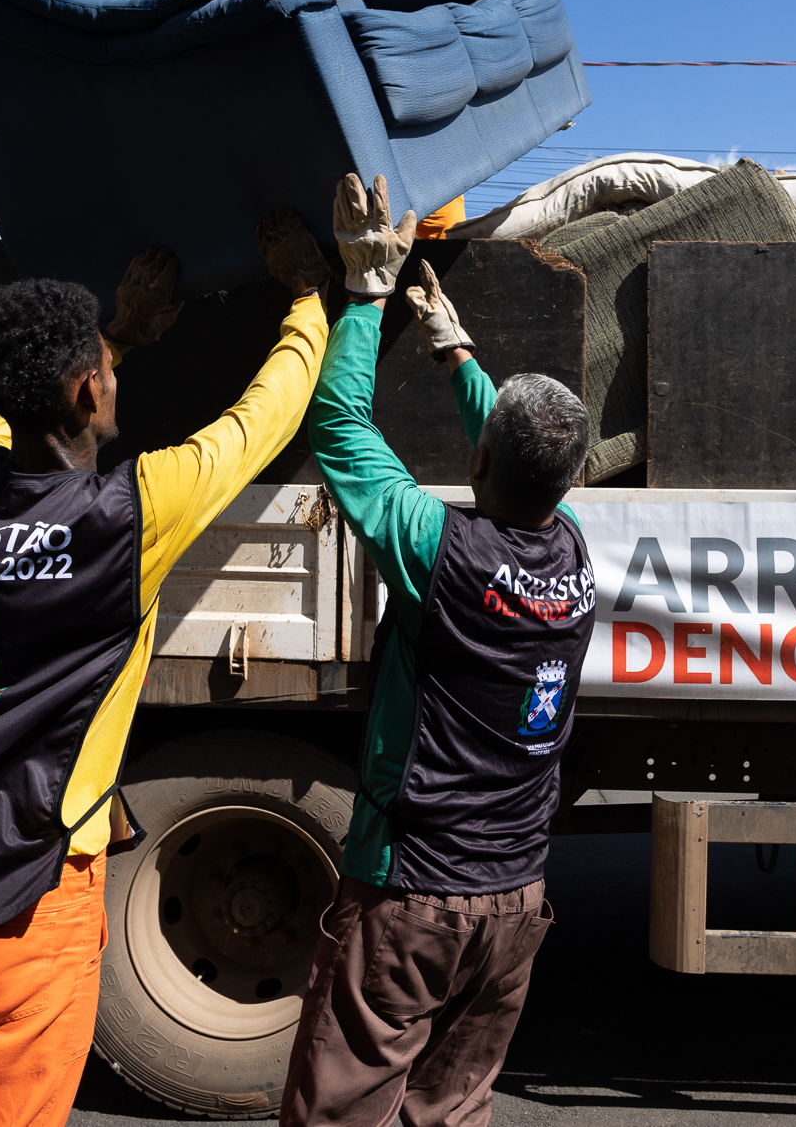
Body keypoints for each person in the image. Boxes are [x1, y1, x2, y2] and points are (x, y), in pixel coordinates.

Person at [0, 211, 332, 1127]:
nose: (112, 380)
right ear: (85, 390)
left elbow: (19, 410)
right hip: (22, 895)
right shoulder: (129, 516)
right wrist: (310, 299)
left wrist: (119, 336)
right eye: (103, 372)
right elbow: (258, 424)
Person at [281, 173, 596, 1127]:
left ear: (479, 461)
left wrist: (366, 291)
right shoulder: (572, 549)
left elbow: (340, 425)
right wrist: (457, 351)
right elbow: (520, 456)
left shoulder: (439, 551)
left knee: (342, 1109)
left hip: (414, 891)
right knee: (450, 1113)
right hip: (515, 901)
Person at [396, 0, 468, 240]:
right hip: (392, 153)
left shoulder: (460, 11)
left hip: (443, 159)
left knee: (445, 245)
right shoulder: (375, 4)